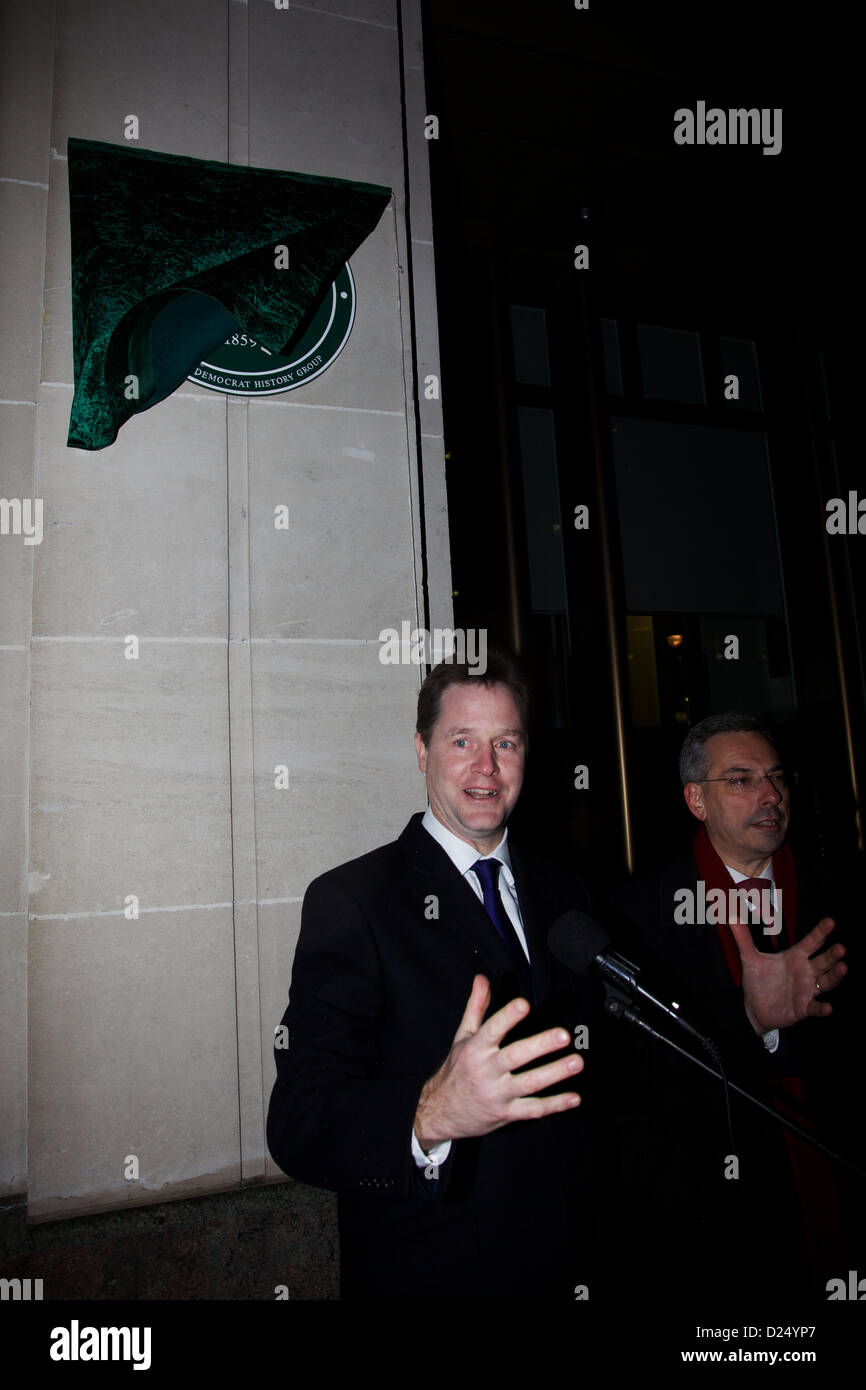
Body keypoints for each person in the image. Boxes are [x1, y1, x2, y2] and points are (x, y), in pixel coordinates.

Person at [267, 654, 598, 1300]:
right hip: (436, 1276)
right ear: (422, 751)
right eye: (462, 742)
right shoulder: (354, 900)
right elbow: (298, 1121)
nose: (487, 767)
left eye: (506, 743)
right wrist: (428, 1114)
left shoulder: (568, 894)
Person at [607, 711, 863, 1303]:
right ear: (696, 800)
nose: (771, 796)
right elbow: (634, 1084)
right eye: (742, 780)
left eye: (776, 777)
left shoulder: (841, 894)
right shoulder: (639, 918)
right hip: (716, 1209)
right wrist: (751, 1022)